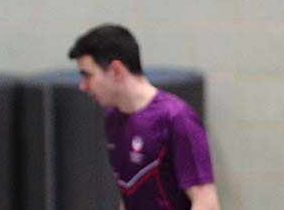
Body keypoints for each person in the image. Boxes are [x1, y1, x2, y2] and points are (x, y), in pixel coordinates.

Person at [68, 24, 220, 210]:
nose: (83, 86)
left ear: (116, 70)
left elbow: (206, 202)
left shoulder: (176, 118)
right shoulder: (113, 119)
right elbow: (129, 192)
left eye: (87, 76)